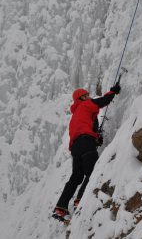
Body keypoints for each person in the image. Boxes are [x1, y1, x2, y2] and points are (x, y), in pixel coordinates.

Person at [53, 83, 121, 219]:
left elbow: (86, 128)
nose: (89, 97)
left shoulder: (76, 115)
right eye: (86, 95)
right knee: (93, 171)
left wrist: (96, 138)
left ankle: (60, 207)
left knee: (76, 177)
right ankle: (80, 200)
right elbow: (102, 101)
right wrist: (112, 92)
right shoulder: (85, 105)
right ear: (81, 98)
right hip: (85, 142)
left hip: (76, 148)